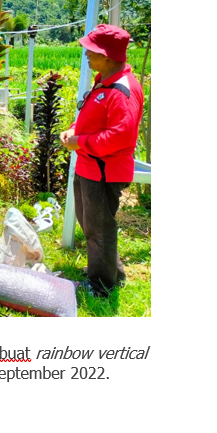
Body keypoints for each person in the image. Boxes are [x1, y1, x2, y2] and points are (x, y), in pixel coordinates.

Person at [60, 24, 144, 298]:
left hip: (103, 171)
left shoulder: (122, 90)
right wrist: (75, 129)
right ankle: (110, 270)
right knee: (90, 223)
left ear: (107, 56)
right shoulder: (105, 81)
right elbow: (94, 119)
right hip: (89, 167)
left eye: (91, 51)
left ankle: (102, 286)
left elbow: (120, 136)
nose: (86, 54)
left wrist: (79, 142)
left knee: (99, 228)